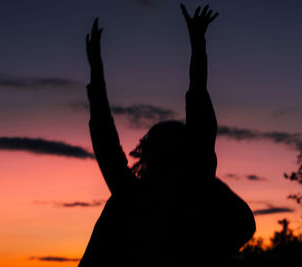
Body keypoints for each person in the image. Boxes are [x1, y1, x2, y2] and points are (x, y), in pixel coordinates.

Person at [79, 4, 256, 267]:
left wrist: (198, 47)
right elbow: (106, 140)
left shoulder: (189, 184)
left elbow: (199, 115)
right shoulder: (136, 193)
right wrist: (96, 73)